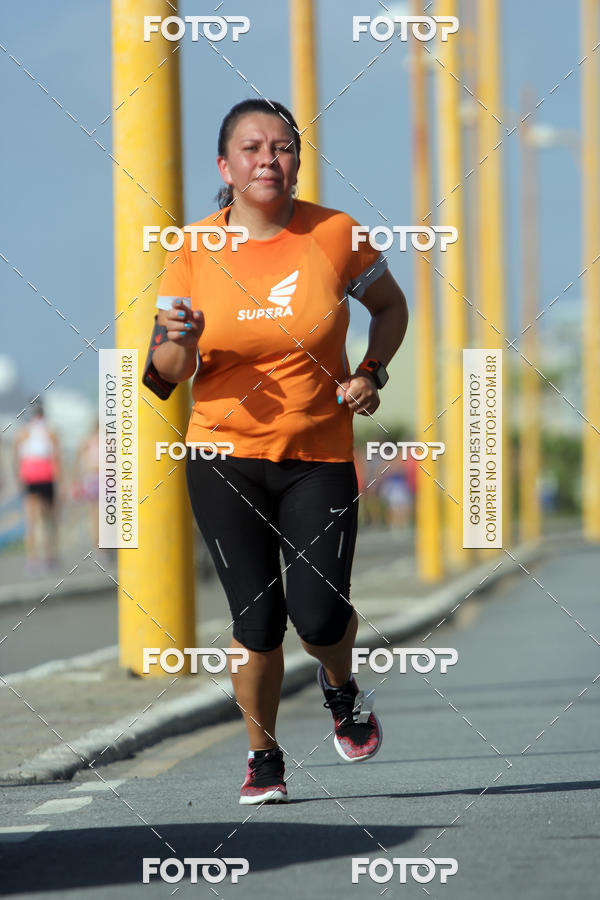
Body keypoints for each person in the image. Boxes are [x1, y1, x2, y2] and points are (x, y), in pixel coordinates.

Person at [145, 98, 409, 804]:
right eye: (253, 148)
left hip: (317, 454)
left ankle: (340, 685)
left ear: (296, 161)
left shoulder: (335, 233)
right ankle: (263, 756)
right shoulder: (193, 247)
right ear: (225, 167)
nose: (269, 159)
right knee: (257, 623)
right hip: (222, 457)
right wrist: (181, 344)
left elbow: (391, 307)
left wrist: (370, 372)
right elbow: (165, 373)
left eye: (283, 147)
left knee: (319, 616)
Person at [13, 400, 60, 572]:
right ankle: (50, 556)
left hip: (30, 478)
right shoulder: (50, 431)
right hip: (46, 477)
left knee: (31, 521)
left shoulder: (22, 432)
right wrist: (60, 482)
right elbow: (57, 458)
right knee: (49, 519)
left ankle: (32, 559)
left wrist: (19, 479)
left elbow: (16, 459)